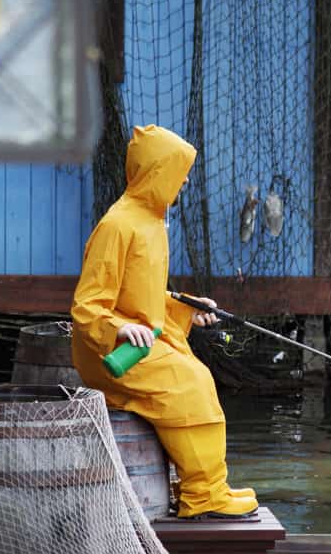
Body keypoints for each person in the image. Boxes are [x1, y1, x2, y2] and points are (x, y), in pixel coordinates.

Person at [71, 124, 258, 519]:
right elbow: (88, 305)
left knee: (195, 374)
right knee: (189, 385)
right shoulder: (118, 225)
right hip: (111, 352)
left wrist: (186, 307)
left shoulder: (152, 222)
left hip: (142, 342)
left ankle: (200, 485)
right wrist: (117, 328)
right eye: (179, 169)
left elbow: (143, 295)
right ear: (157, 171)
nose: (186, 178)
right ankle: (203, 496)